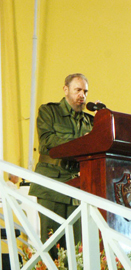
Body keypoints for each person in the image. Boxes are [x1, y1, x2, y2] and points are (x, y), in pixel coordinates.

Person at [29, 73, 95, 247]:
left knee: (78, 246)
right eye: (78, 90)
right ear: (66, 90)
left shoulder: (90, 121)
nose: (82, 95)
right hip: (52, 183)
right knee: (53, 243)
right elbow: (47, 141)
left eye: (85, 91)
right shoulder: (49, 111)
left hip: (78, 186)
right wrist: (82, 142)